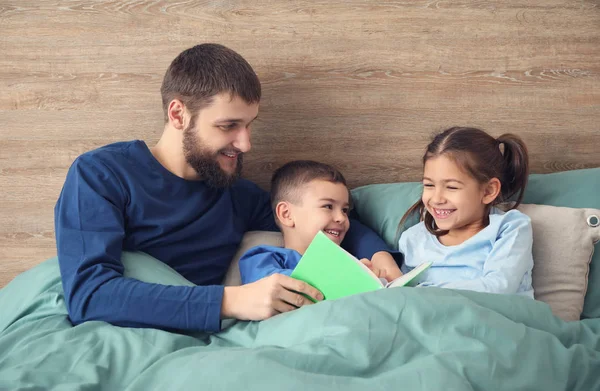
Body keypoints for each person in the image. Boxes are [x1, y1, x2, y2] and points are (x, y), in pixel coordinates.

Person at [54, 43, 393, 333]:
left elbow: (319, 217)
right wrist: (232, 301)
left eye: (248, 125)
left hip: (213, 339)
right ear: (178, 114)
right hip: (134, 332)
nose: (245, 144)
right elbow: (89, 295)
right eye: (228, 126)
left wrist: (380, 257)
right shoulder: (103, 174)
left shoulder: (235, 194)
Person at [392, 126, 534, 296]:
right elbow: (402, 295)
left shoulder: (510, 228)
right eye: (429, 185)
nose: (437, 199)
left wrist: (423, 293)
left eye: (451, 187)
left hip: (495, 319)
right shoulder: (412, 239)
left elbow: (498, 288)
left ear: (488, 191)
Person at [239, 160, 401, 285]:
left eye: (345, 210)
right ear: (286, 214)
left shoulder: (352, 260)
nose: (342, 218)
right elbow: (272, 288)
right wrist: (346, 277)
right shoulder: (263, 258)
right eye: (328, 206)